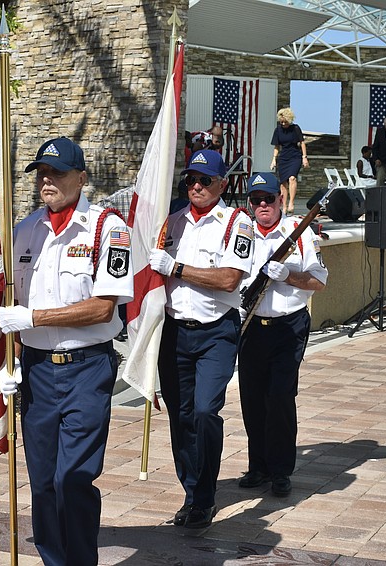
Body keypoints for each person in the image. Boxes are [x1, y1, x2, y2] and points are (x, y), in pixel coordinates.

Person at [0, 136, 133, 566]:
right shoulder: (23, 231)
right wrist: (7, 360)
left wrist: (33, 319)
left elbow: (102, 307)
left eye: (56, 172)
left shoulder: (108, 229)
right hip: (36, 372)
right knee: (41, 483)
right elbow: (3, 300)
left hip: (86, 370)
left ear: (81, 178)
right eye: (41, 173)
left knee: (73, 478)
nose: (46, 180)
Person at [147, 149, 254, 530]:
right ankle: (192, 494)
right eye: (190, 179)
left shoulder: (235, 223)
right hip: (175, 333)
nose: (196, 186)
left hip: (215, 333)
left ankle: (204, 495)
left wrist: (175, 267)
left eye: (205, 180)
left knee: (206, 411)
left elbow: (228, 278)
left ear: (222, 184)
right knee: (181, 417)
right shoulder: (171, 222)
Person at [237, 172, 327, 498]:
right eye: (256, 200)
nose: (263, 205)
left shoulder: (298, 233)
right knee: (252, 400)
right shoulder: (240, 234)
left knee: (279, 399)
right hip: (251, 327)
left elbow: (318, 281)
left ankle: (280, 470)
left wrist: (289, 275)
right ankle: (258, 466)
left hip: (288, 328)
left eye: (269, 199)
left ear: (280, 200)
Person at [270, 107, 309, 215]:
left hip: (295, 156)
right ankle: (284, 206)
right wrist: (274, 159)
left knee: (292, 178)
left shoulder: (295, 128)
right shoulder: (278, 130)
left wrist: (304, 157)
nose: (283, 124)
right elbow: (276, 146)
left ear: (289, 119)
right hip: (283, 158)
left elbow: (302, 143)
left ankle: (291, 203)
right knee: (283, 183)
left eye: (285, 122)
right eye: (281, 121)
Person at [371, 115, 386, 186]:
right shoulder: (380, 131)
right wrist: (376, 159)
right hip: (381, 161)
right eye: (385, 125)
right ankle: (378, 195)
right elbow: (375, 147)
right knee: (380, 179)